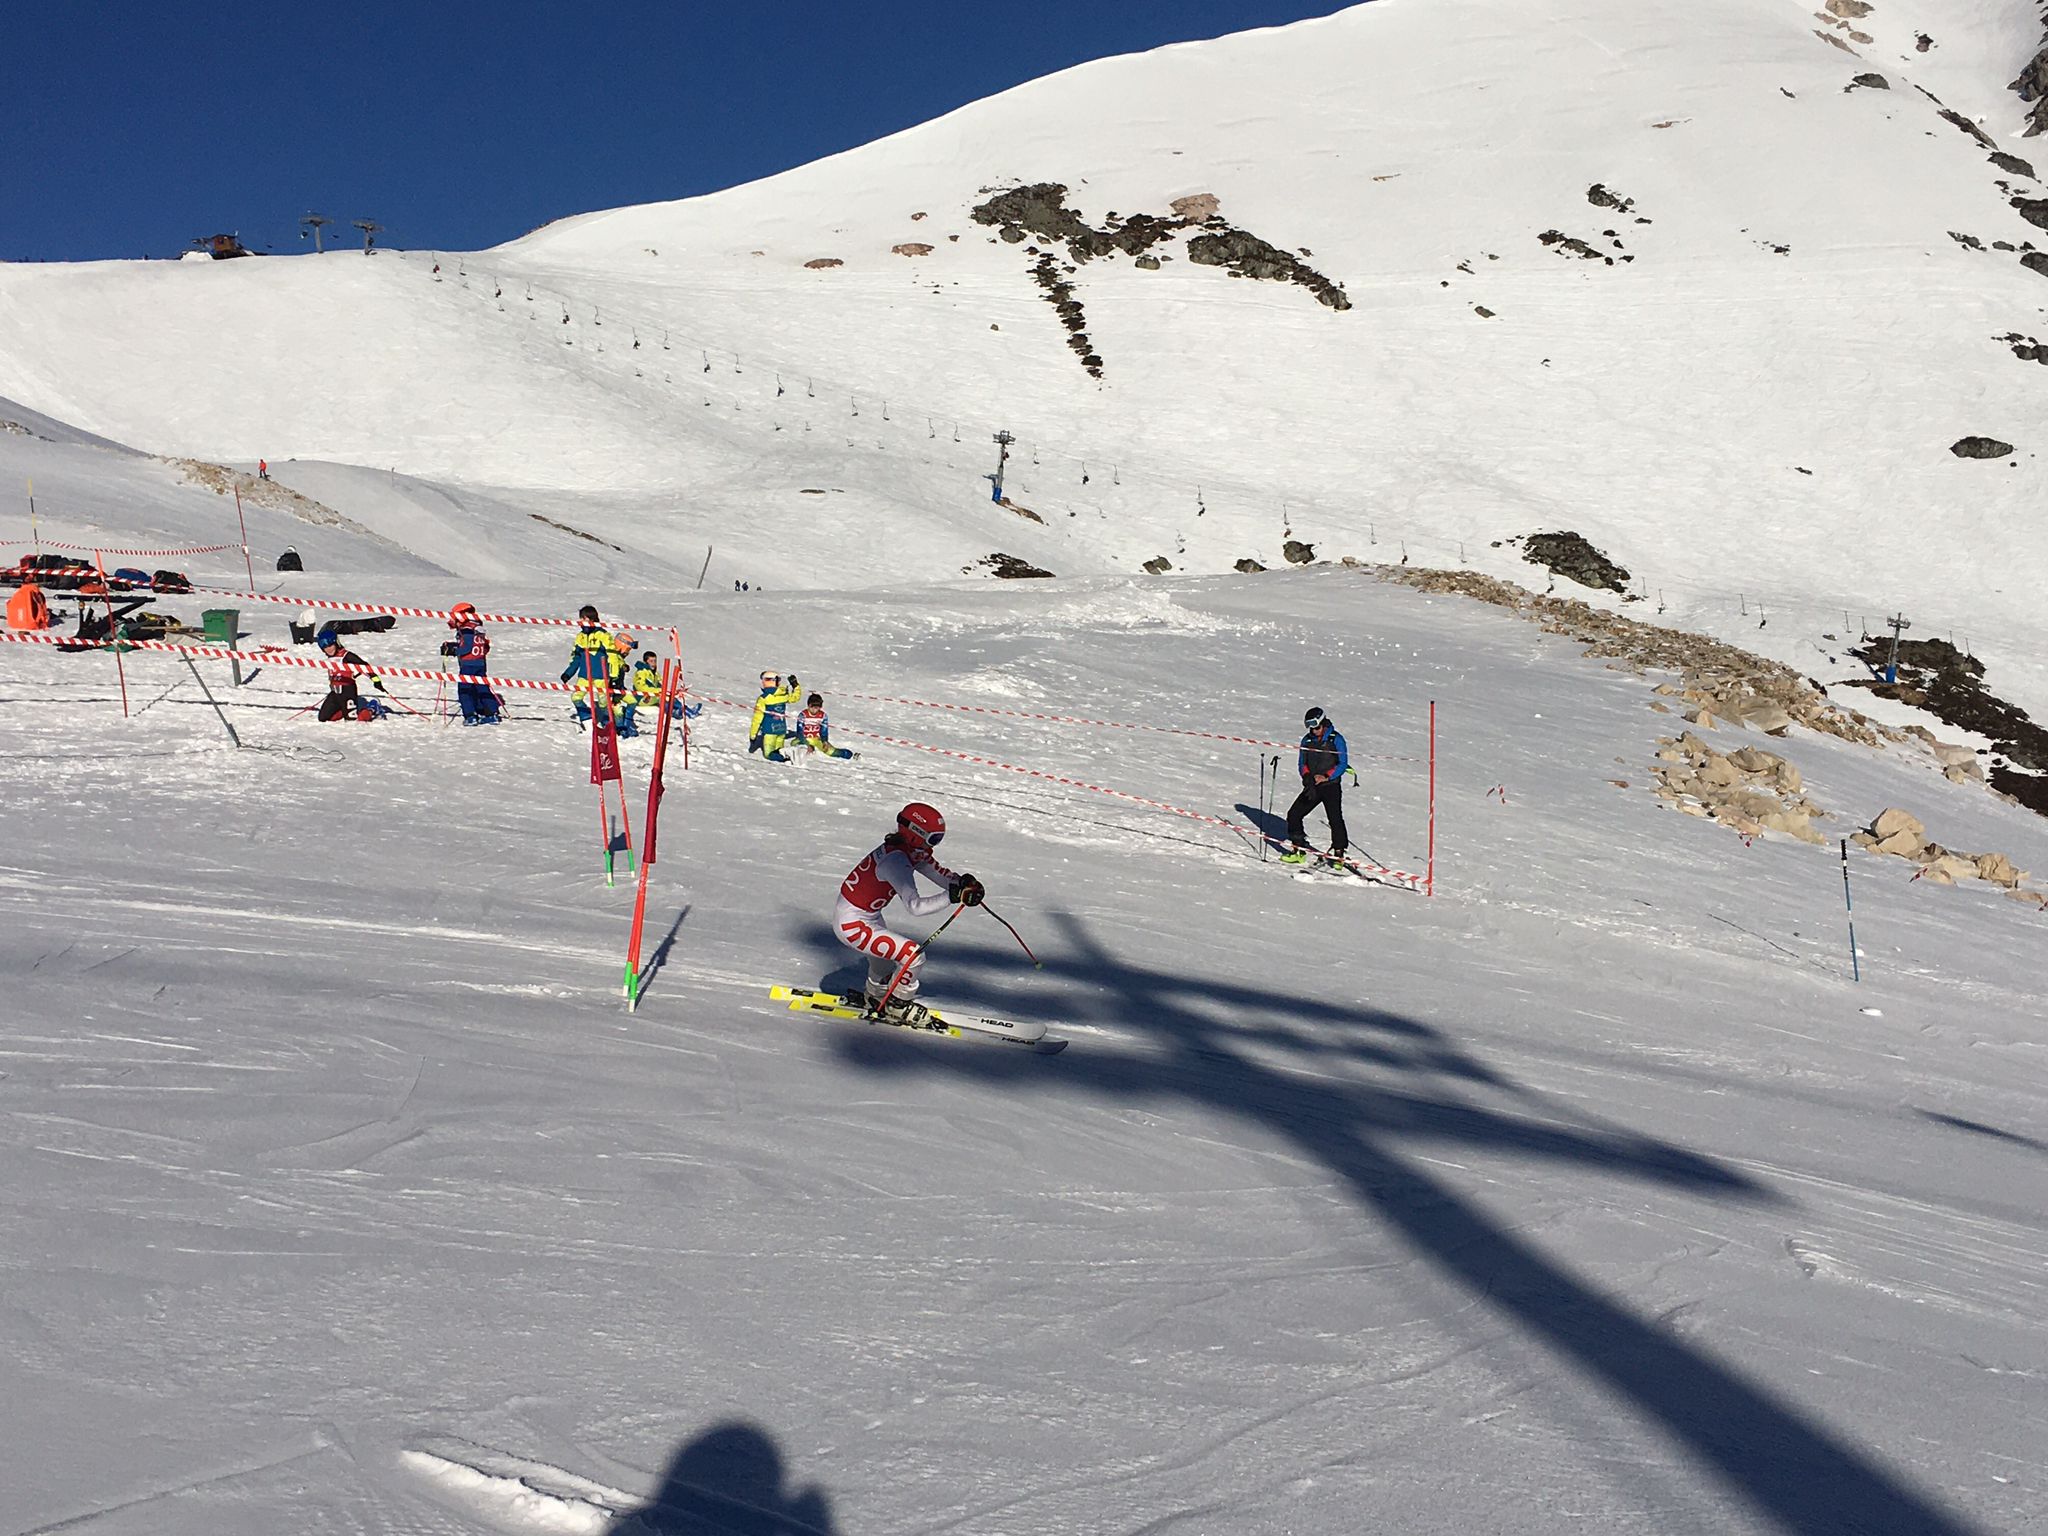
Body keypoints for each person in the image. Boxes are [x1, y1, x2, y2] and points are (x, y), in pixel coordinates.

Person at [835, 803, 984, 1023]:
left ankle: (875, 997)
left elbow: (936, 871)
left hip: (867, 917)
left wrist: (961, 883)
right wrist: (953, 896)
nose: (935, 845)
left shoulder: (909, 850)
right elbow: (915, 907)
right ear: (917, 834)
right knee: (913, 956)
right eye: (934, 839)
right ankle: (898, 1004)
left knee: (884, 964)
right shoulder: (895, 861)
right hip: (852, 924)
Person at [1282, 706, 1350, 864]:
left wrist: (1326, 776)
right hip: (1313, 786)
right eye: (1311, 728)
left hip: (1330, 786)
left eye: (1317, 727)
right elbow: (1302, 762)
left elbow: (1343, 764)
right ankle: (1298, 848)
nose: (1314, 731)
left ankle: (1339, 853)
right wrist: (1306, 776)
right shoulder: (1307, 740)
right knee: (1294, 814)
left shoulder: (1336, 739)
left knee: (1335, 819)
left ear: (1323, 723)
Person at [440, 601, 500, 725]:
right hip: (480, 663)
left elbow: (467, 647)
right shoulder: (478, 629)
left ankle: (470, 715)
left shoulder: (466, 630)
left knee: (465, 690)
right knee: (482, 687)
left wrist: (455, 651)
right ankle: (491, 713)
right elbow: (485, 646)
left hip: (468, 664)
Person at [315, 627, 387, 722]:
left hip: (347, 691)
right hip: (335, 693)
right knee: (324, 718)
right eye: (325, 647)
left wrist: (376, 680)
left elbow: (365, 666)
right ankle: (343, 709)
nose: (328, 649)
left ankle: (372, 708)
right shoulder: (329, 658)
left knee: (354, 720)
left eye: (330, 645)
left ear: (336, 643)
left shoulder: (346, 656)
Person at [559, 604, 614, 726]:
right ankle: (587, 719)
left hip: (601, 675)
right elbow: (576, 657)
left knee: (603, 702)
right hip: (584, 675)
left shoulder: (603, 635)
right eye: (581, 618)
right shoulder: (580, 637)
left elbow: (613, 655)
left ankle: (607, 726)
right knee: (576, 698)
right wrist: (568, 673)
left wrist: (614, 674)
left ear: (592, 619)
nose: (582, 621)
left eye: (584, 618)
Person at [749, 670, 801, 761]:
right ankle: (786, 756)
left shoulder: (764, 698)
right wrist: (795, 686)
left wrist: (753, 735)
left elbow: (757, 718)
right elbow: (794, 698)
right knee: (779, 750)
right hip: (781, 729)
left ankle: (787, 758)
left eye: (763, 680)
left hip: (769, 731)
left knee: (769, 754)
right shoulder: (783, 695)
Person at [793, 692, 857, 760]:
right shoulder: (803, 715)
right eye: (812, 707)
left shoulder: (823, 716)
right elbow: (800, 732)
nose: (814, 710)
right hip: (803, 739)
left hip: (816, 739)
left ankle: (850, 755)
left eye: (817, 708)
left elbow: (824, 731)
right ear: (808, 705)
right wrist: (807, 744)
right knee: (796, 746)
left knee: (831, 751)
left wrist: (825, 742)